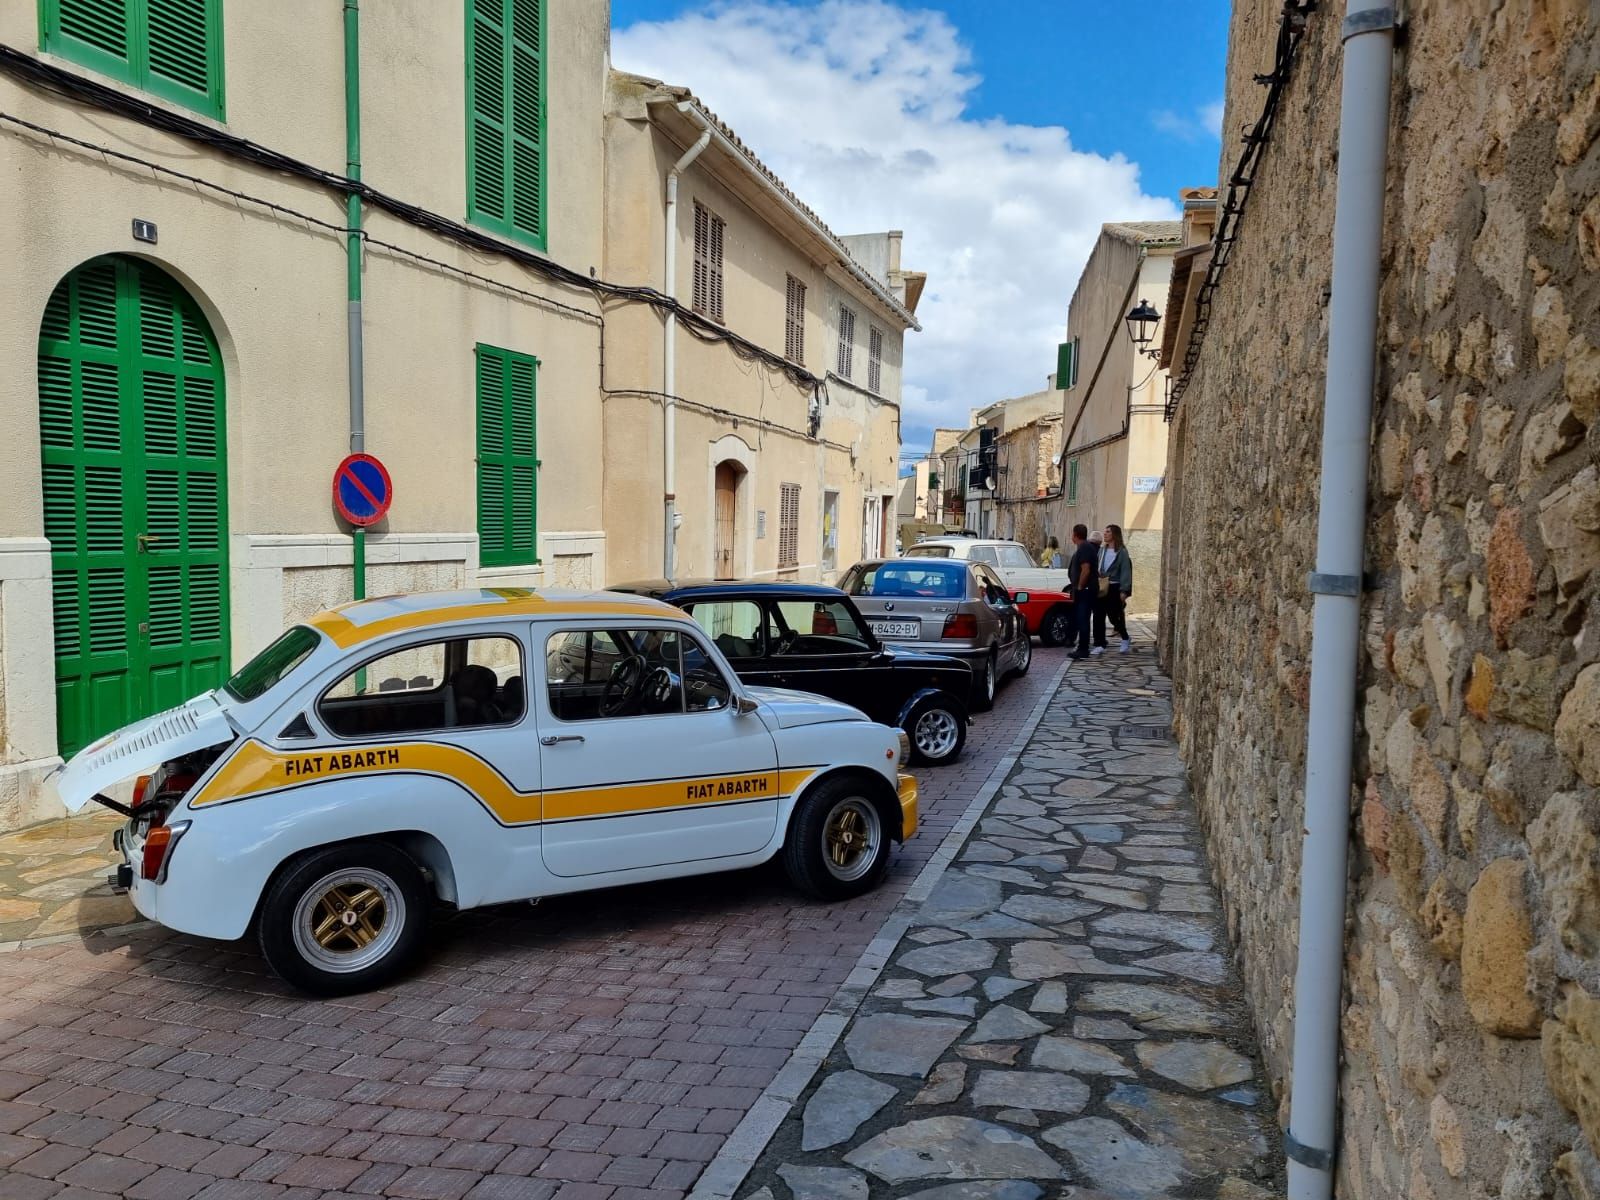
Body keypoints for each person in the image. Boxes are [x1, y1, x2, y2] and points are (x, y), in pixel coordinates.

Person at [1093, 523, 1134, 655]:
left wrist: (1124, 590)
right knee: (1098, 615)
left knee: (1113, 615)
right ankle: (1099, 643)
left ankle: (1125, 637)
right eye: (1105, 532)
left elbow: (1125, 571)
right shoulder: (1102, 550)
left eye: (1108, 532)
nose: (1105, 534)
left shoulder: (1122, 552)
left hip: (1115, 586)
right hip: (1102, 586)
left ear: (1114, 535)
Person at [1066, 523, 1099, 660]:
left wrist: (1080, 587)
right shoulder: (1084, 547)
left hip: (1085, 591)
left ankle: (1083, 649)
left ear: (1075, 535)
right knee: (1081, 619)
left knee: (1083, 619)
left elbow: (1086, 569)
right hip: (1084, 590)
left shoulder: (1084, 548)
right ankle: (1081, 647)